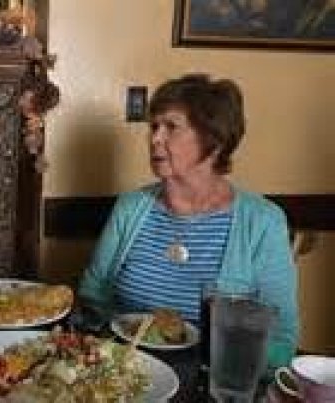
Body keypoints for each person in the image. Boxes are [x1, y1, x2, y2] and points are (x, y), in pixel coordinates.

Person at [78, 73, 298, 368]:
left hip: (211, 379)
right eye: (154, 127)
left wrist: (227, 366)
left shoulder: (263, 222)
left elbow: (281, 340)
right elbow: (92, 298)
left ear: (214, 141)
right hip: (125, 371)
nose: (155, 139)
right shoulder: (130, 207)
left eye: (171, 127)